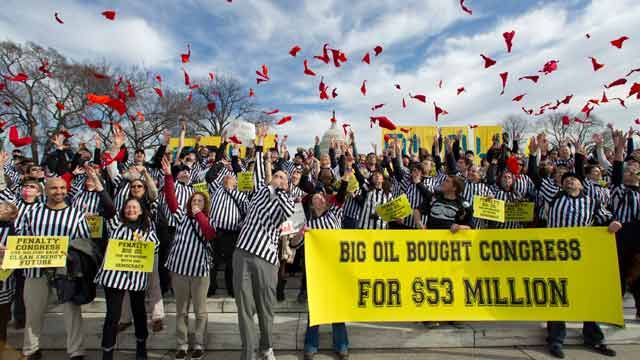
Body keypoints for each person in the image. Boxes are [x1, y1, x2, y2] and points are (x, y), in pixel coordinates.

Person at [234, 125, 295, 360]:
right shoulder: (260, 191)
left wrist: (280, 189)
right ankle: (248, 353)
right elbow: (260, 169)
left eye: (283, 178)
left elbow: (284, 210)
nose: (278, 179)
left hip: (267, 259)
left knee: (265, 307)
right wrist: (260, 142)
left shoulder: (287, 201)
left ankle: (266, 346)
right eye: (276, 176)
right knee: (244, 308)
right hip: (242, 253)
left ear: (287, 184)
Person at [20, 177, 91, 360]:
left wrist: (66, 252)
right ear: (45, 191)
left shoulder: (76, 214)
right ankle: (31, 349)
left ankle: (76, 351)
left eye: (62, 188)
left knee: (72, 313)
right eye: (54, 188)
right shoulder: (32, 213)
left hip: (66, 272)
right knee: (33, 312)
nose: (59, 191)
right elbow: (22, 239)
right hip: (36, 270)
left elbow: (84, 242)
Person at [161, 156, 217, 360]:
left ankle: (199, 343)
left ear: (205, 204)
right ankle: (182, 344)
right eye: (194, 200)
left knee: (200, 311)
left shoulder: (209, 219)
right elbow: (170, 198)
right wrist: (168, 176)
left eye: (200, 201)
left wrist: (199, 214)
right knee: (181, 310)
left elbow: (209, 234)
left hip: (199, 272)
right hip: (179, 270)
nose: (196, 203)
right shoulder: (181, 217)